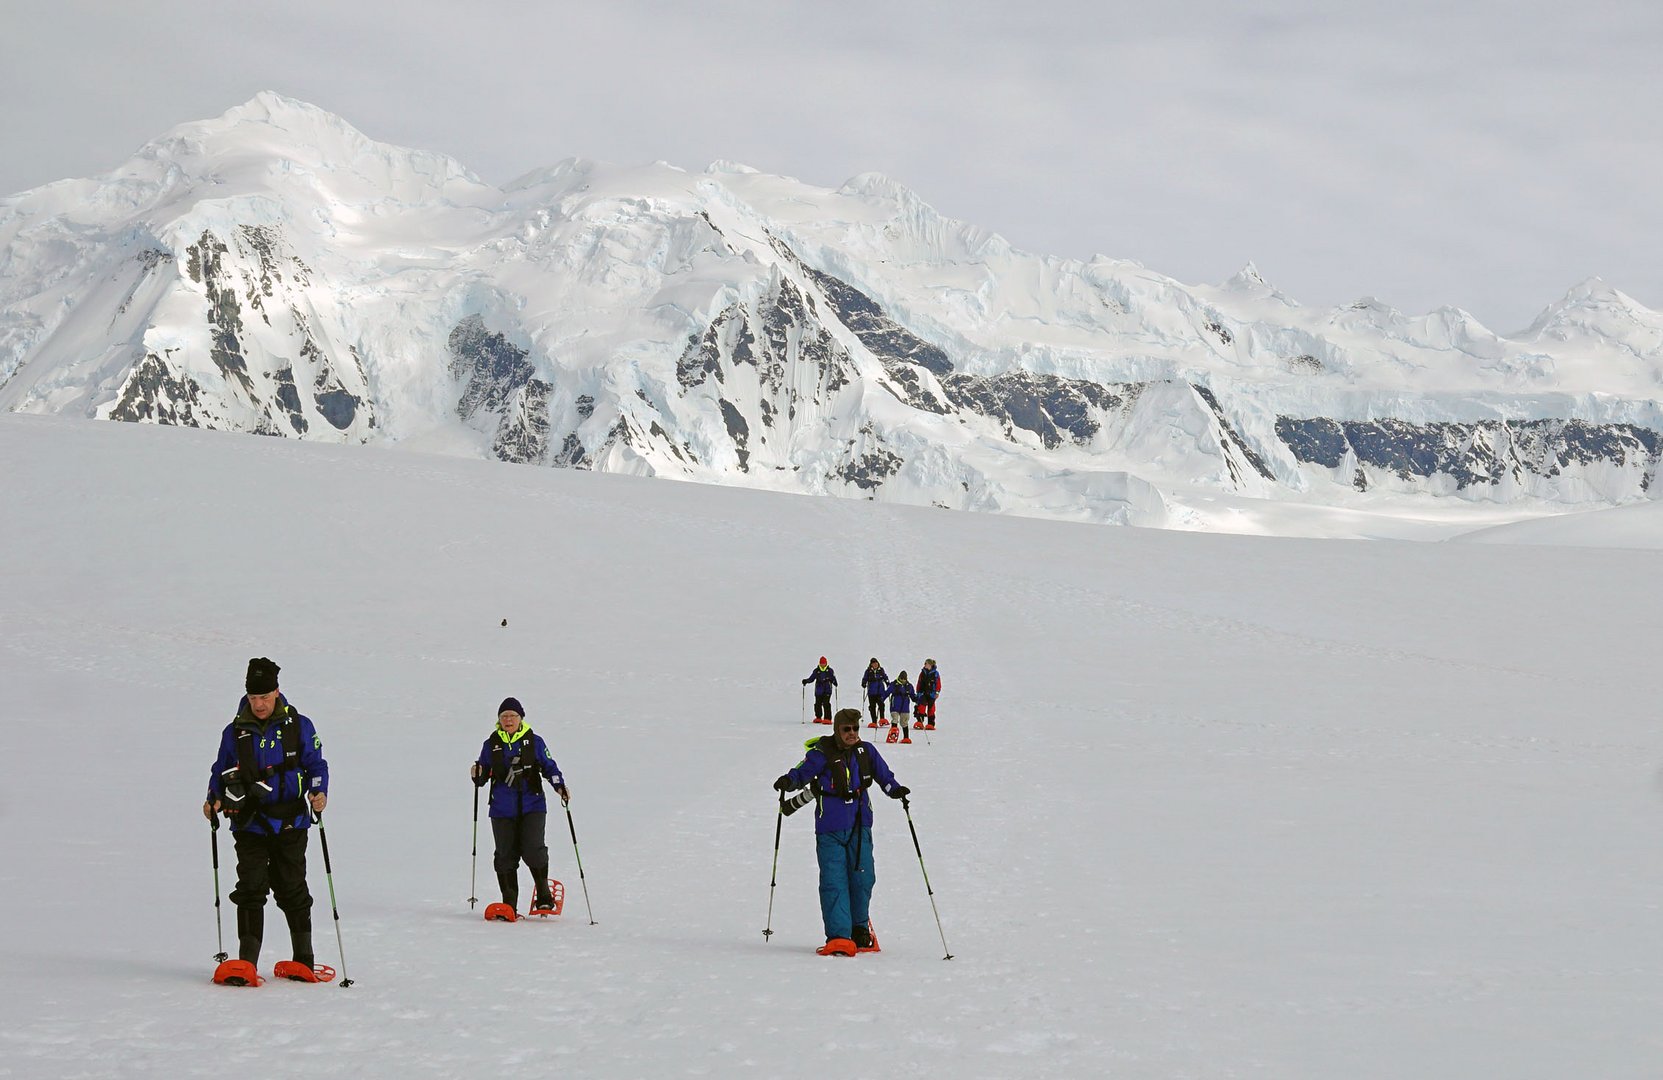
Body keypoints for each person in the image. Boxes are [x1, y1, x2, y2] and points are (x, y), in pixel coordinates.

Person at [202, 657, 329, 981]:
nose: (258, 704)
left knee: (292, 887)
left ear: (276, 692)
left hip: (291, 821)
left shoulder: (300, 725)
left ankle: (303, 959)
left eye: (264, 697)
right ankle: (246, 963)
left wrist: (319, 793)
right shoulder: (234, 732)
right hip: (249, 822)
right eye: (253, 698)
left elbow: (316, 765)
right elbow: (221, 770)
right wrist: (213, 798)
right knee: (251, 887)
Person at [772, 708, 908, 956]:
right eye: (847, 729)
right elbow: (801, 772)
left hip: (860, 823)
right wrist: (788, 782)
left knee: (863, 877)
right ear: (837, 730)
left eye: (856, 728)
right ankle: (838, 935)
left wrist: (895, 790)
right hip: (829, 828)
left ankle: (859, 929)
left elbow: (884, 775)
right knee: (834, 881)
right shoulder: (821, 753)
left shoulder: (866, 751)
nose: (852, 733)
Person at [471, 697, 567, 915]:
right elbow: (483, 774)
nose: (508, 720)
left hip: (532, 805)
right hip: (501, 808)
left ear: (520, 718)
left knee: (533, 850)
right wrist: (477, 774)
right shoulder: (491, 744)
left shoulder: (535, 741)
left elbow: (549, 767)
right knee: (505, 856)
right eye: (503, 716)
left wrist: (559, 786)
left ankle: (544, 895)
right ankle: (509, 905)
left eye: (512, 716)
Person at [801, 657, 838, 724]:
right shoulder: (816, 671)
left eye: (823, 663)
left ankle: (827, 718)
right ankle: (818, 717)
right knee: (818, 704)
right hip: (819, 690)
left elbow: (833, 677)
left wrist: (834, 682)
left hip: (827, 689)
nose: (822, 664)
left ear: (826, 663)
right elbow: (811, 678)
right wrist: (806, 681)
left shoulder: (829, 670)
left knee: (826, 703)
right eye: (821, 663)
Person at [887, 671, 916, 742]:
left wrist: (917, 700)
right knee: (895, 719)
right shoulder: (894, 684)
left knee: (904, 721)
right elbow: (887, 692)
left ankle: (906, 737)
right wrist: (881, 699)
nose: (903, 680)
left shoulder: (909, 686)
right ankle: (893, 735)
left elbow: (912, 695)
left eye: (904, 679)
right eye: (901, 678)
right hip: (895, 705)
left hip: (905, 707)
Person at [860, 658, 889, 727]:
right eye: (873, 663)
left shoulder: (881, 670)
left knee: (881, 705)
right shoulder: (868, 671)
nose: (875, 664)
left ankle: (882, 719)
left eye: (876, 663)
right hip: (871, 692)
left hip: (880, 692)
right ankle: (874, 721)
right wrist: (863, 683)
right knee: (872, 707)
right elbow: (865, 678)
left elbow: (885, 677)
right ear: (871, 664)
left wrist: (888, 683)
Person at [914, 658, 942, 730]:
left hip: (932, 694)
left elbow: (938, 683)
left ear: (930, 665)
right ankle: (920, 722)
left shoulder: (936, 673)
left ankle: (930, 723)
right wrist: (918, 692)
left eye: (926, 664)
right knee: (921, 707)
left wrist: (937, 692)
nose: (925, 665)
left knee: (931, 708)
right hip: (922, 693)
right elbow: (919, 682)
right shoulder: (922, 673)